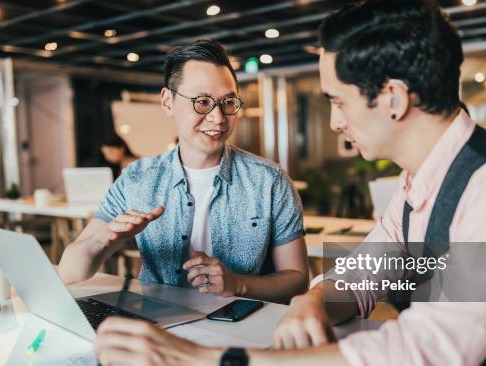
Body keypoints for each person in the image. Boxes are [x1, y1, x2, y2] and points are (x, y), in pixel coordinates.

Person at [93, 1, 486, 366]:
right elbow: (365, 273)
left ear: (393, 98)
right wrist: (314, 300)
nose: (335, 123)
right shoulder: (421, 183)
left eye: (338, 102)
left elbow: (421, 362)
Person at [59, 39, 308, 304]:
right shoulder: (136, 179)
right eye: (202, 102)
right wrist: (104, 239)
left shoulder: (270, 181)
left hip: (242, 325)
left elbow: (297, 278)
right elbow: (69, 271)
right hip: (157, 323)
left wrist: (239, 284)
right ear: (168, 102)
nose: (218, 118)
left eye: (228, 102)